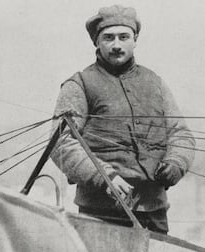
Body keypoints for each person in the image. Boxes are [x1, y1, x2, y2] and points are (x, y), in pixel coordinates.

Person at [52, 5, 195, 234]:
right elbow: (61, 142)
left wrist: (177, 162)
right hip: (100, 212)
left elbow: (181, 133)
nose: (116, 45)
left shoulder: (155, 82)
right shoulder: (79, 84)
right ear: (97, 42)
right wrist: (105, 177)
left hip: (153, 209)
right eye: (108, 38)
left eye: (123, 37)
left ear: (135, 40)